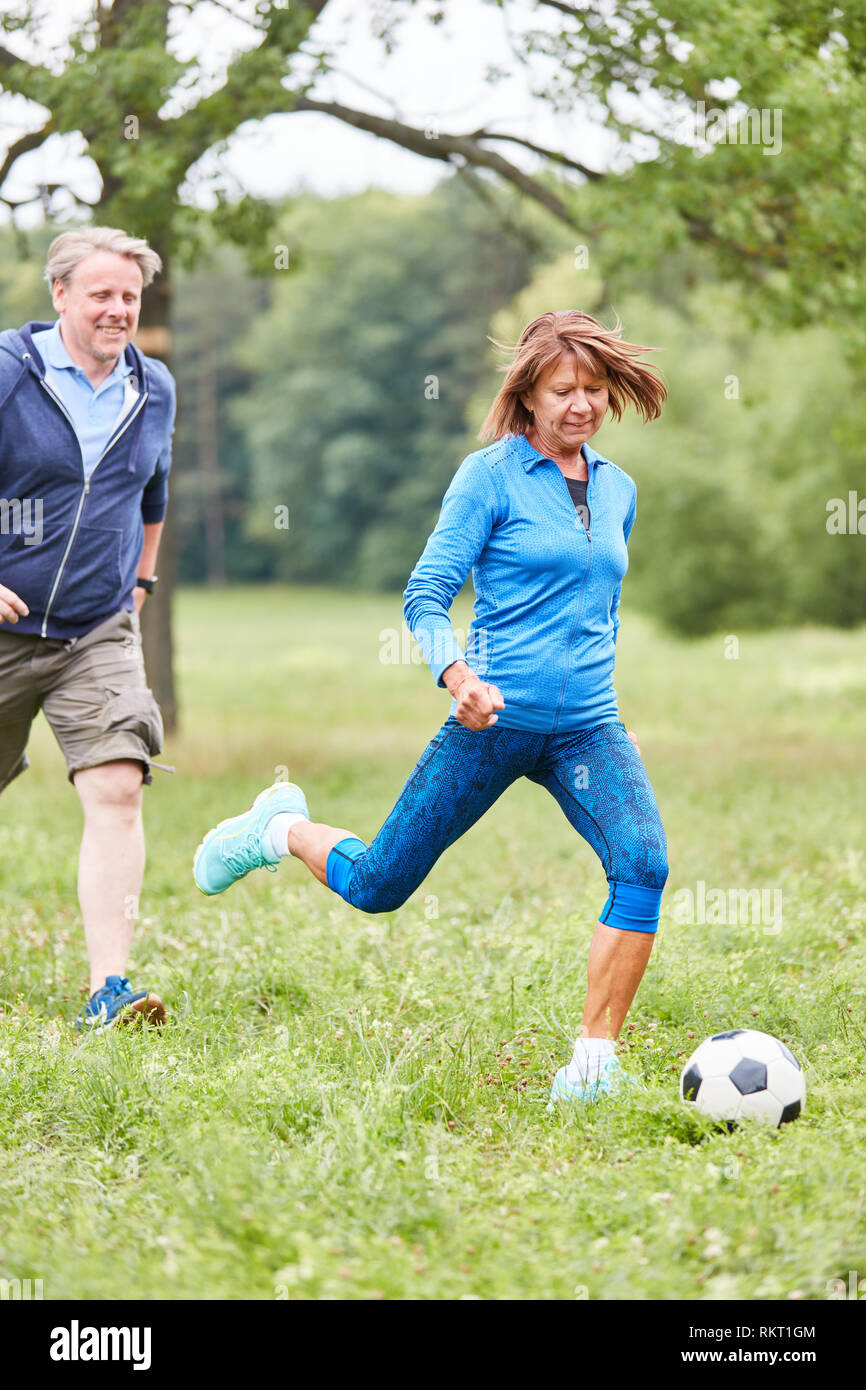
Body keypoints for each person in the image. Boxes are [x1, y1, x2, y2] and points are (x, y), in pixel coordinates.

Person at [193, 309, 669, 1104]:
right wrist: (458, 676)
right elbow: (426, 593)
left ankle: (593, 1066)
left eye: (593, 388)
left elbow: (601, 609)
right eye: (562, 389)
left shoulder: (618, 490)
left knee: (643, 864)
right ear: (528, 395)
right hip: (490, 719)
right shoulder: (489, 477)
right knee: (380, 883)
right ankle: (277, 827)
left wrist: (607, 709)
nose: (579, 404)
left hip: (588, 726)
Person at [0, 226, 176, 1034]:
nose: (117, 311)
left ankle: (110, 988)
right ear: (61, 294)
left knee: (116, 782)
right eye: (101, 294)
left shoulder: (154, 387)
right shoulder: (9, 375)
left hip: (95, 631)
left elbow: (153, 497)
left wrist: (139, 582)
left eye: (129, 298)